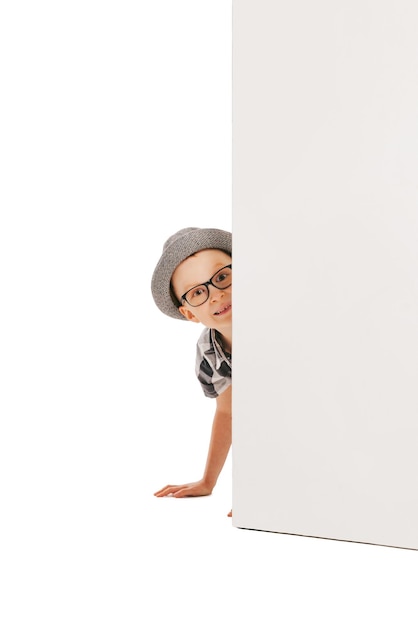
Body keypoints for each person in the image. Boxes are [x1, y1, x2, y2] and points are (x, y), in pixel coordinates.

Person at [151, 227, 232, 517]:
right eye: (198, 292)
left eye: (222, 277)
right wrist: (208, 481)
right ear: (189, 313)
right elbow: (228, 413)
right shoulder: (211, 352)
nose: (216, 295)